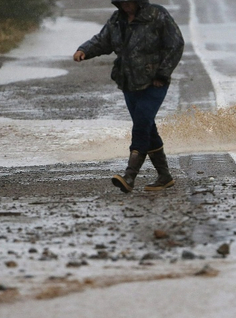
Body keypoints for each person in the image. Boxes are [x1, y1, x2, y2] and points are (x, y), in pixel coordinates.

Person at [73, 0, 184, 192]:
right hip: (128, 83)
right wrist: (84, 50)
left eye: (129, 2)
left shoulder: (157, 15)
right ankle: (164, 176)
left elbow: (175, 45)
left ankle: (129, 176)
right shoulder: (117, 20)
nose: (126, 5)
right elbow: (102, 40)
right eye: (122, 2)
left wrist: (163, 74)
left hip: (154, 83)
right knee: (147, 127)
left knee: (141, 124)